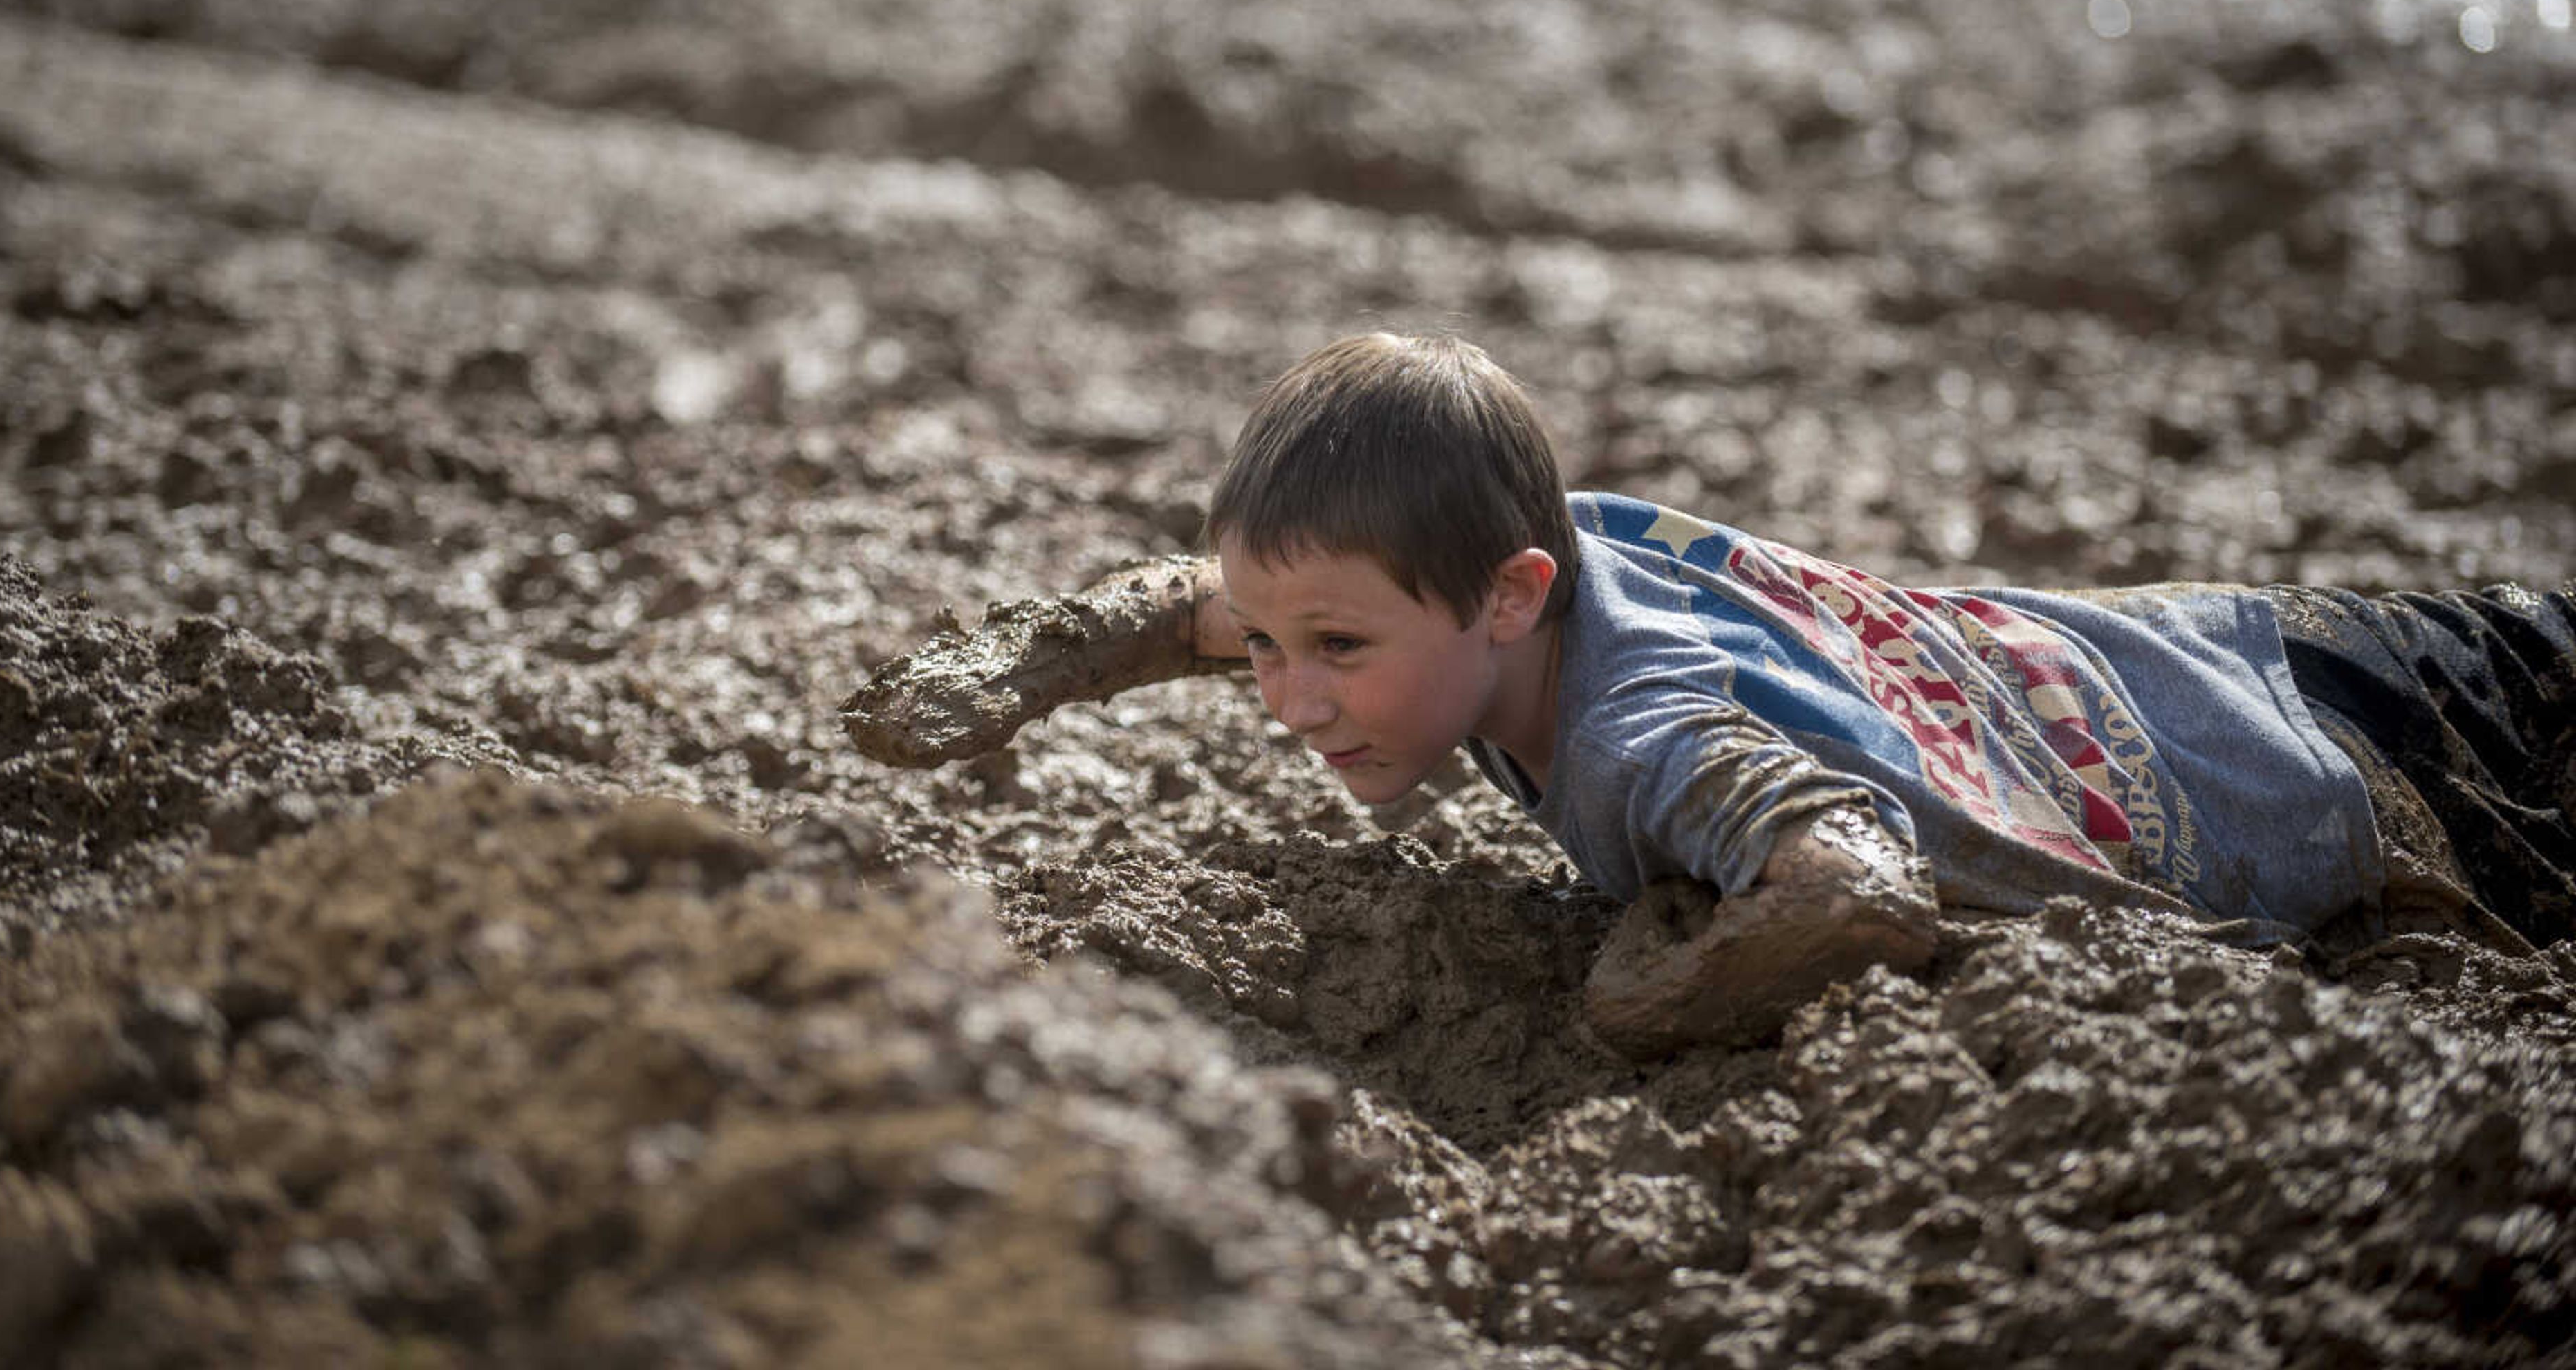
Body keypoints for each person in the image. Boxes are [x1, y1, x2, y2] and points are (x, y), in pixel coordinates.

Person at [845, 332, 2576, 1057]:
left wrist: (1639, 1001)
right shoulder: (1517, 569)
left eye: (1337, 653)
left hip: (2363, 766)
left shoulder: (1640, 732)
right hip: (2233, 652)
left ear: (1514, 595)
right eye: (1271, 644)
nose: (1287, 693)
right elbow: (1223, 609)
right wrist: (1034, 658)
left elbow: (1849, 886)